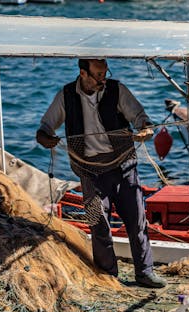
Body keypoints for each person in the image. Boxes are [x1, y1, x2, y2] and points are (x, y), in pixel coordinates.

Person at [36, 58, 166, 288]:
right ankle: (109, 277)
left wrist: (145, 130)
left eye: (104, 73)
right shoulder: (65, 95)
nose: (102, 79)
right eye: (97, 74)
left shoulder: (117, 90)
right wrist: (45, 138)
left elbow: (142, 120)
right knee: (98, 225)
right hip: (90, 172)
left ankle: (145, 273)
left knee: (137, 222)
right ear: (83, 73)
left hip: (123, 167)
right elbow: (45, 127)